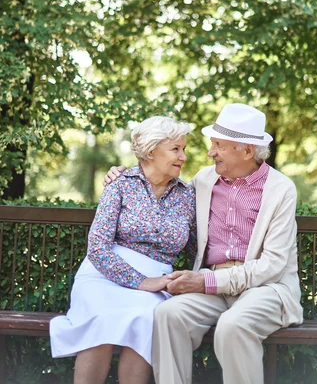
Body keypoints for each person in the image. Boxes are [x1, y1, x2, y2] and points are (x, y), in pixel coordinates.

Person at [104, 103, 303, 384]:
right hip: (213, 285)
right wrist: (124, 176)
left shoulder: (280, 189)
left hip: (266, 288)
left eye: (219, 145)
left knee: (233, 326)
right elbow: (158, 182)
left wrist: (204, 282)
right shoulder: (204, 181)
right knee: (168, 315)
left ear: (246, 151)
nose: (211, 152)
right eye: (213, 144)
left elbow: (272, 265)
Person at [50, 116, 196, 384]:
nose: (183, 156)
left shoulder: (188, 195)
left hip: (158, 281)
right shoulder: (120, 184)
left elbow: (199, 250)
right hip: (103, 276)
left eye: (183, 149)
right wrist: (142, 281)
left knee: (147, 316)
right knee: (101, 314)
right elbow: (98, 248)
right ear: (151, 150)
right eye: (176, 149)